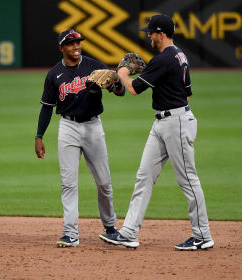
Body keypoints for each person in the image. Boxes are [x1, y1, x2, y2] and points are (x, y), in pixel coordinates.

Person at [99, 15, 214, 250]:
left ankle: (203, 235)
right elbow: (187, 92)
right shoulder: (179, 55)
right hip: (163, 122)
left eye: (150, 32)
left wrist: (121, 71)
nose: (148, 36)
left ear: (160, 33)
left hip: (176, 123)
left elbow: (133, 89)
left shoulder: (164, 59)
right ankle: (129, 232)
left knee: (188, 180)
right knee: (144, 176)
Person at [35, 29, 125, 247]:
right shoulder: (54, 74)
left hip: (93, 126)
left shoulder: (95, 65)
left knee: (104, 182)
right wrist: (39, 136)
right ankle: (70, 233)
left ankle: (110, 227)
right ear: (61, 48)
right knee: (68, 183)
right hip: (67, 128)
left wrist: (115, 83)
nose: (76, 46)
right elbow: (47, 108)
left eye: (78, 43)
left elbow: (120, 92)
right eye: (71, 43)